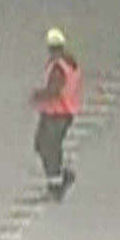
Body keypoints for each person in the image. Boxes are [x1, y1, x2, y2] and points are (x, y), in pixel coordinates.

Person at [31, 28, 82, 200]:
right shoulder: (69, 63)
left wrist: (37, 96)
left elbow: (54, 90)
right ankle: (59, 178)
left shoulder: (58, 68)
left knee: (47, 146)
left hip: (57, 113)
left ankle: (56, 184)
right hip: (63, 112)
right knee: (45, 145)